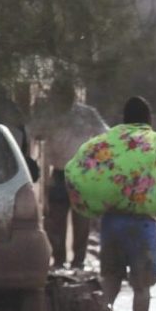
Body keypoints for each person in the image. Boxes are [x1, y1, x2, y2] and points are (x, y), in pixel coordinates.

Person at [83, 96, 156, 311]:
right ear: (150, 119)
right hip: (144, 223)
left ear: (123, 118)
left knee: (111, 279)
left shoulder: (108, 141)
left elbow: (87, 169)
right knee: (142, 287)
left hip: (112, 221)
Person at [35, 86, 107, 270]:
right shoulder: (49, 115)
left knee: (81, 220)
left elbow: (105, 133)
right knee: (56, 219)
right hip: (59, 173)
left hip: (83, 173)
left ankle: (78, 261)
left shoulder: (86, 114)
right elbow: (33, 130)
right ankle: (59, 260)